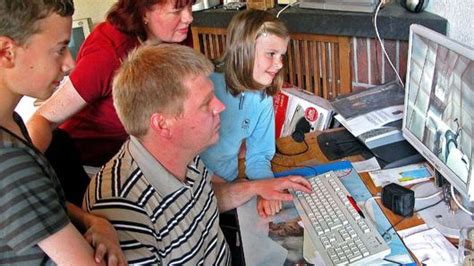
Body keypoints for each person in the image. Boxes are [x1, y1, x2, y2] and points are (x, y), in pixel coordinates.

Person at [84, 44, 312, 264]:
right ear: (162, 124)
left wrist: (255, 187)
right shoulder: (124, 209)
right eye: (205, 104)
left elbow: (203, 202)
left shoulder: (185, 155)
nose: (220, 107)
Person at [27, 0, 194, 206]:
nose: (189, 17)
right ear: (143, 12)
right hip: (92, 167)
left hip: (142, 156)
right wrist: (24, 177)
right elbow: (43, 118)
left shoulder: (177, 37)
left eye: (190, 6)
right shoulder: (108, 53)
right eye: (177, 10)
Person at [0, 0, 126, 265]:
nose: (69, 63)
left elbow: (39, 204)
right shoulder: (9, 160)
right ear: (6, 51)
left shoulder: (12, 122)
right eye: (59, 50)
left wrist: (92, 220)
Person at [200, 10, 290, 218]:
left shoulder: (263, 98)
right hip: (194, 188)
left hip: (230, 185)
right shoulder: (205, 84)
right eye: (271, 54)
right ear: (244, 50)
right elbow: (181, 154)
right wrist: (225, 186)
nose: (279, 64)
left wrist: (266, 190)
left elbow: (259, 156)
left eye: (282, 56)